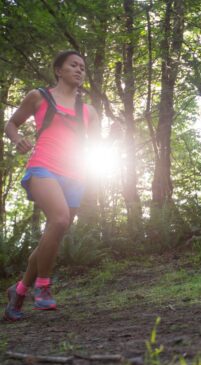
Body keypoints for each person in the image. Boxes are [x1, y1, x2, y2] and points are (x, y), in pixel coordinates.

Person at [4, 50, 99, 321]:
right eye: (73, 65)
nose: (80, 70)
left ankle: (19, 290)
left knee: (54, 233)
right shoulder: (39, 96)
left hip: (75, 175)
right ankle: (43, 286)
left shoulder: (89, 110)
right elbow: (11, 124)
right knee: (59, 220)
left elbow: (93, 145)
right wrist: (16, 139)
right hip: (43, 167)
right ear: (59, 70)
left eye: (82, 66)